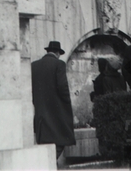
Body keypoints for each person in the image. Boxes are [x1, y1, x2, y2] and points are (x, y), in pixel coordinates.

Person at [31, 41, 75, 169]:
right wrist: (67, 103)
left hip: (40, 110)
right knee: (62, 138)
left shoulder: (34, 65)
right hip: (57, 110)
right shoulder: (59, 64)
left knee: (44, 140)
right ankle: (49, 163)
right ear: (57, 53)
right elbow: (63, 87)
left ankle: (48, 163)